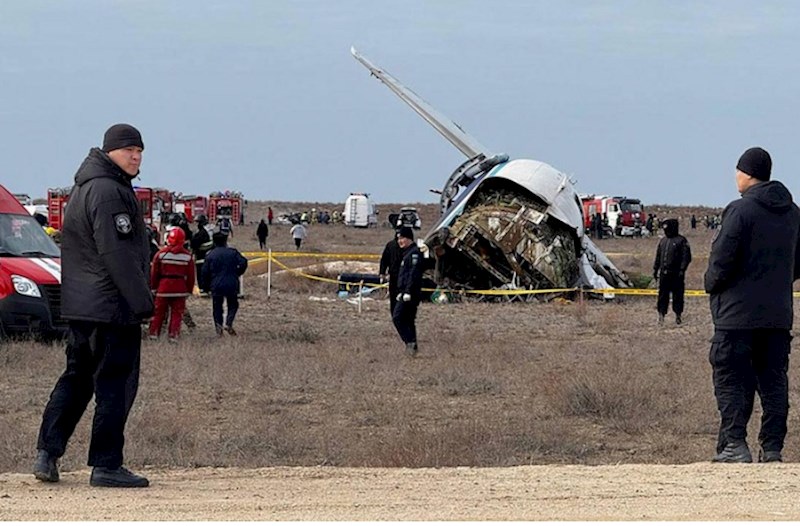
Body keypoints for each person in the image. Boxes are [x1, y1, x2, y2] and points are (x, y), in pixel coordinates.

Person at [33, 124, 152, 488]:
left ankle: (47, 454)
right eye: (129, 150)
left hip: (83, 306)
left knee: (76, 379)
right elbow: (116, 253)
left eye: (140, 151)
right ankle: (106, 465)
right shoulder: (109, 191)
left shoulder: (84, 188)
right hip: (112, 308)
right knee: (115, 384)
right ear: (110, 151)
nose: (136, 157)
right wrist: (142, 303)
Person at [704, 146, 800, 463]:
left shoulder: (740, 211)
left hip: (736, 317)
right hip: (777, 317)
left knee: (732, 380)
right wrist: (778, 283)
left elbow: (721, 259)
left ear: (748, 173)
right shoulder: (793, 213)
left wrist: (712, 285)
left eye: (738, 171)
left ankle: (734, 445)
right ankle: (772, 449)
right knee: (773, 382)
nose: (736, 177)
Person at [148, 228, 195, 342]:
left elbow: (154, 273)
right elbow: (191, 276)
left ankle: (153, 334)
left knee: (158, 313)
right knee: (177, 313)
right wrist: (189, 290)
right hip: (180, 288)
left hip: (163, 287)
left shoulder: (161, 254)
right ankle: (173, 336)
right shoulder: (187, 256)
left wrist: (153, 287)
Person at [201, 232, 248, 336]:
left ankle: (219, 330)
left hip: (216, 284)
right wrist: (237, 273)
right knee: (233, 304)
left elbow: (204, 272)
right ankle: (229, 322)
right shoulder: (233, 252)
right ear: (225, 241)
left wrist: (205, 287)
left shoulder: (210, 255)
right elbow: (244, 262)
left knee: (217, 307)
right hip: (231, 283)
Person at [392, 227, 424, 357]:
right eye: (399, 239)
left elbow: (413, 275)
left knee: (397, 317)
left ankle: (409, 342)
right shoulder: (407, 253)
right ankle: (413, 347)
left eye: (402, 238)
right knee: (409, 320)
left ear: (409, 238)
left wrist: (408, 292)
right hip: (404, 292)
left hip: (410, 293)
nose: (400, 241)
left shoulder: (414, 253)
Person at [653, 218, 691, 325]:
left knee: (677, 296)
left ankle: (678, 315)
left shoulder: (681, 241)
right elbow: (658, 256)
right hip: (664, 274)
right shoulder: (663, 241)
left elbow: (686, 257)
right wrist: (655, 270)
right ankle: (661, 315)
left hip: (676, 274)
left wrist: (682, 270)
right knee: (662, 296)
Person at [379, 229, 404, 314]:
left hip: (404, 275)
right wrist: (382, 272)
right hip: (393, 275)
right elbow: (384, 260)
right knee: (393, 296)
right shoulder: (390, 245)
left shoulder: (408, 247)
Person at [190, 214, 213, 294]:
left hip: (201, 257)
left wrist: (192, 239)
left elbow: (195, 244)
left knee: (201, 273)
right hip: (208, 256)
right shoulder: (208, 230)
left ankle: (203, 289)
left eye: (197, 222)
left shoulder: (202, 233)